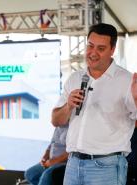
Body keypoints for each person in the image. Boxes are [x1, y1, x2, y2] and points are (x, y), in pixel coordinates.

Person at [51, 23, 137, 185]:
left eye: (101, 48)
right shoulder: (75, 78)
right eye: (90, 46)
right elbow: (56, 120)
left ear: (112, 50)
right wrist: (68, 106)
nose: (93, 53)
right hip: (73, 164)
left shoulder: (126, 81)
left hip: (106, 167)